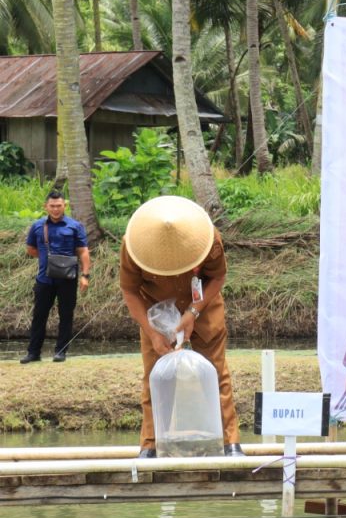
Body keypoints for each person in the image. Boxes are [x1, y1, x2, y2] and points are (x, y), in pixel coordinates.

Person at [119, 196, 241, 459]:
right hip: (158, 313)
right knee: (156, 375)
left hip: (203, 305)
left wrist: (194, 311)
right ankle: (150, 444)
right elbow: (129, 290)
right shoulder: (132, 245)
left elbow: (218, 276)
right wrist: (152, 332)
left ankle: (230, 442)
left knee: (216, 372)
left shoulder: (209, 238)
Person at [22, 190, 89, 363]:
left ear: (64, 206)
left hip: (68, 279)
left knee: (66, 315)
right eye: (52, 206)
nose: (56, 209)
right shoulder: (37, 226)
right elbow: (31, 249)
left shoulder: (75, 226)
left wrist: (85, 275)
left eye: (59, 206)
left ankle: (61, 352)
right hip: (44, 279)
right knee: (39, 315)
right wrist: (48, 260)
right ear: (46, 207)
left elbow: (83, 252)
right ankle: (33, 353)